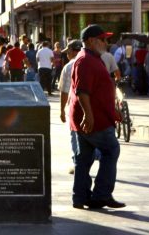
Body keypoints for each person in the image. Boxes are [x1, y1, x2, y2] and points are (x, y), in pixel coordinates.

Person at [68, 24, 124, 210]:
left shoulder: (93, 58)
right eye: (103, 39)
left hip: (92, 117)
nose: (106, 43)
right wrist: (89, 116)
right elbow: (82, 91)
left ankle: (81, 197)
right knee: (111, 150)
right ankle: (101, 195)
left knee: (84, 160)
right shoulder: (85, 60)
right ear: (91, 41)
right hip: (95, 120)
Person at [58, 39, 83, 175]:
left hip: (76, 107)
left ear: (73, 51)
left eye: (67, 52)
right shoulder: (95, 61)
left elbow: (65, 91)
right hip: (93, 107)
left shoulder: (69, 67)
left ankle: (77, 163)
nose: (66, 54)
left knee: (75, 134)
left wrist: (62, 110)